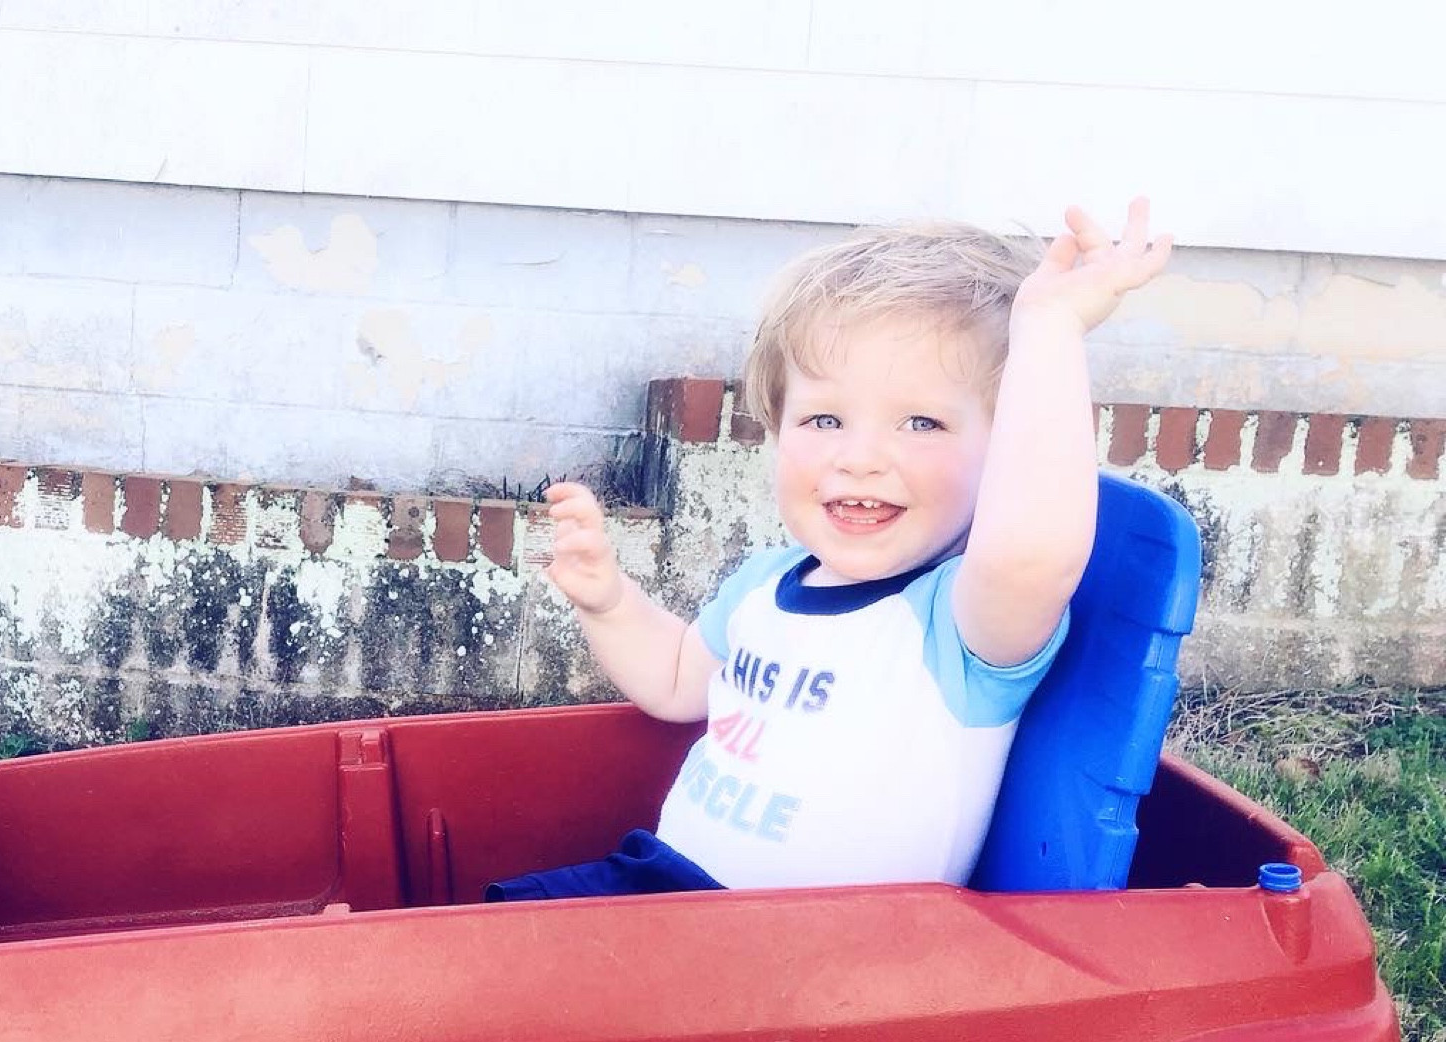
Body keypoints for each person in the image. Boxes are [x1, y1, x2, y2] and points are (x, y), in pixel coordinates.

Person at [489, 201, 1172, 900]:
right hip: (665, 889)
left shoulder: (957, 625)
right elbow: (672, 681)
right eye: (824, 418)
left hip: (821, 961)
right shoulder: (765, 583)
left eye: (921, 422)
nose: (860, 457)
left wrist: (1050, 330)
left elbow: (1031, 550)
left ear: (1001, 460)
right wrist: (609, 602)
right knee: (478, 943)